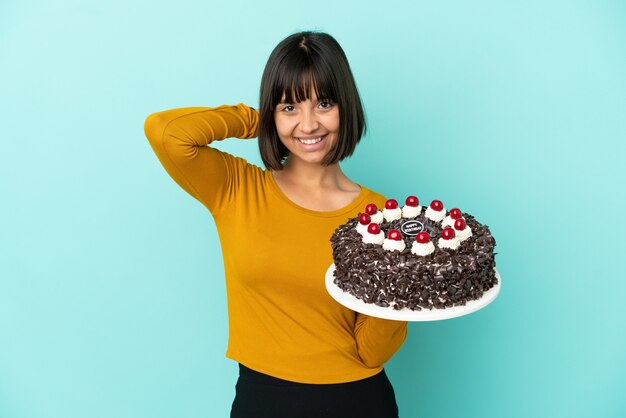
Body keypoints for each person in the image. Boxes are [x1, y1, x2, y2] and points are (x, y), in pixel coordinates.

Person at [144, 31, 408, 418]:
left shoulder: (380, 215)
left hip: (359, 401)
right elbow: (166, 132)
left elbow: (373, 351)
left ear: (345, 107)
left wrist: (401, 295)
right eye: (290, 107)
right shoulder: (236, 188)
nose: (308, 124)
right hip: (262, 399)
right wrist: (259, 119)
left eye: (324, 104)